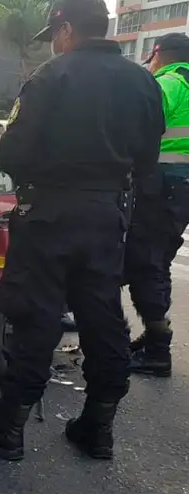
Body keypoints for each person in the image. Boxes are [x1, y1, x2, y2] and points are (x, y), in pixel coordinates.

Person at [0, 0, 166, 461]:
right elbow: (147, 160)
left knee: (36, 319)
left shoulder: (51, 77)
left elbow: (11, 155)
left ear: (67, 29)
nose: (53, 44)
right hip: (107, 216)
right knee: (103, 318)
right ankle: (99, 427)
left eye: (54, 35)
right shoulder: (143, 82)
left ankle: (8, 429)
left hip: (49, 215)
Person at [124, 33, 189, 377]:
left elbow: (137, 125)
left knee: (147, 263)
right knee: (156, 260)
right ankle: (154, 336)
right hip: (178, 189)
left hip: (162, 186)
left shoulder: (168, 83)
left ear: (158, 54)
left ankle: (158, 350)